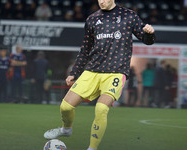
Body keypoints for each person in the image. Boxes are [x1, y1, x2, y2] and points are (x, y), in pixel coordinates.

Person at [44, 0, 155, 150]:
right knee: (65, 107)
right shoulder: (92, 19)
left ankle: (92, 148)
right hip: (92, 70)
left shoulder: (129, 16)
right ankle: (66, 129)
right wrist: (74, 72)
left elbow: (147, 40)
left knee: (101, 109)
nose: (101, 1)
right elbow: (85, 49)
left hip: (116, 72)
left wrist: (150, 33)